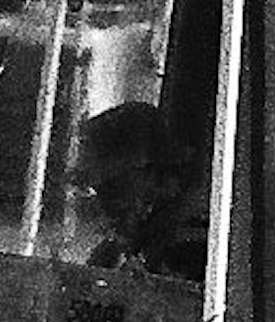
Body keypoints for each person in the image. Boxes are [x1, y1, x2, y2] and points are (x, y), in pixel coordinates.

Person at [70, 101, 205, 280]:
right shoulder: (145, 237)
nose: (105, 203)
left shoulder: (194, 234)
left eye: (111, 188)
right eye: (97, 191)